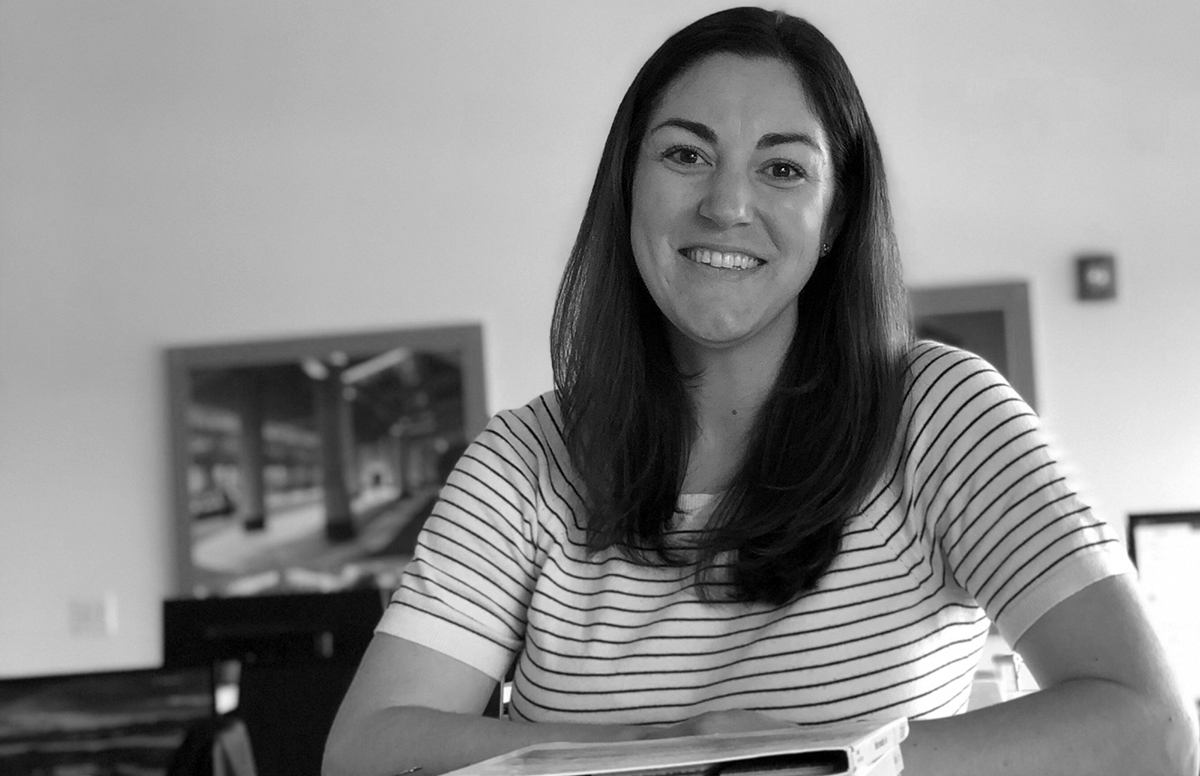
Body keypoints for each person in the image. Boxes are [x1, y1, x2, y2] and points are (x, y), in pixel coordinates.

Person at [323, 7, 1198, 776]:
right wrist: (688, 750)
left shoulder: (940, 411)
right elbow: (366, 750)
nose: (727, 204)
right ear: (627, 187)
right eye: (684, 154)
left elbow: (1151, 731)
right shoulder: (522, 460)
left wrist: (829, 764)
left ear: (836, 219)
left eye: (783, 169)